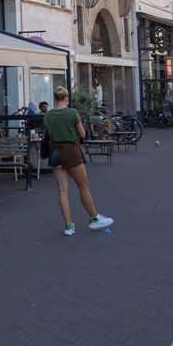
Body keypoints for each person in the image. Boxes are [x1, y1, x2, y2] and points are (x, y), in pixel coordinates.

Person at [43, 86, 113, 236]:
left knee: (62, 190)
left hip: (54, 152)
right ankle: (94, 218)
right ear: (67, 98)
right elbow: (82, 134)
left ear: (54, 99)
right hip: (71, 151)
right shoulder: (72, 113)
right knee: (83, 187)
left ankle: (68, 226)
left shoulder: (47, 115)